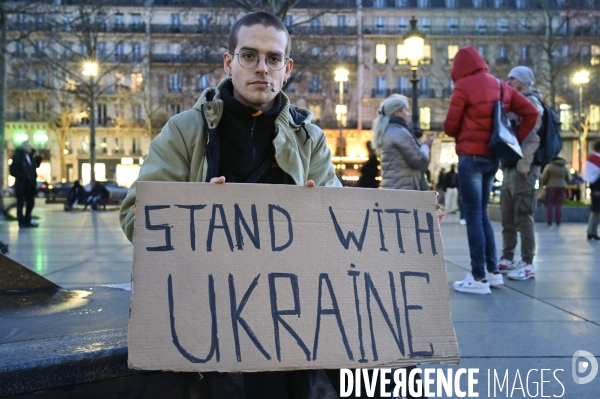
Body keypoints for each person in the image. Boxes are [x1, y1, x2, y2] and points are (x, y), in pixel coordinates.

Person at [119, 11, 340, 399]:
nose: (261, 68)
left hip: (293, 313)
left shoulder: (311, 138)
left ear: (286, 68)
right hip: (212, 312)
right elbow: (135, 213)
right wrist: (195, 207)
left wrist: (404, 229)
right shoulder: (185, 130)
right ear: (229, 62)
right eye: (249, 55)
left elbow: (344, 223)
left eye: (273, 58)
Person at [443, 46, 538, 295]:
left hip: (470, 159)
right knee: (482, 214)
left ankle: (477, 277)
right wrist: (516, 137)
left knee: (473, 215)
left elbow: (450, 127)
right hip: (492, 157)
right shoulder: (500, 85)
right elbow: (531, 111)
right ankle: (493, 273)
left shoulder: (463, 86)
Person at [497, 66, 543, 281]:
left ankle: (527, 263)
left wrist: (524, 165)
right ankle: (507, 257)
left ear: (523, 81)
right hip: (510, 166)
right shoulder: (515, 101)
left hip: (524, 168)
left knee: (523, 216)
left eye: (512, 78)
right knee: (507, 214)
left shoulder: (532, 102)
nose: (508, 80)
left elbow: (533, 139)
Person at [373, 94, 433, 191]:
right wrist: (426, 146)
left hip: (393, 187)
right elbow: (421, 161)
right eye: (406, 110)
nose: (409, 114)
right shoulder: (400, 133)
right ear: (397, 112)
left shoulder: (388, 130)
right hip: (403, 189)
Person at [9, 141, 42, 228]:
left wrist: (37, 155)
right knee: (20, 204)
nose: (30, 148)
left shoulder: (30, 157)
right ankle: (21, 222)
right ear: (23, 147)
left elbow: (36, 165)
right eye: (28, 146)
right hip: (22, 184)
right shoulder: (18, 155)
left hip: (30, 185)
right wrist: (21, 176)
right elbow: (12, 169)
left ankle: (28, 219)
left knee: (30, 203)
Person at [540, 157, 570, 226]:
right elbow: (568, 178)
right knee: (559, 204)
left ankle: (549, 220)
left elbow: (543, 177)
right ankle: (558, 220)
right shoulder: (564, 167)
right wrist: (564, 183)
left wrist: (543, 184)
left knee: (549, 203)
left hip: (550, 186)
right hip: (562, 186)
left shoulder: (549, 166)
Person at [584, 140, 600, 240]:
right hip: (597, 189)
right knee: (597, 212)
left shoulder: (594, 158)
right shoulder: (595, 159)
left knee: (596, 212)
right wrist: (596, 189)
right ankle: (592, 232)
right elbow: (593, 176)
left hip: (596, 189)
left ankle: (591, 231)